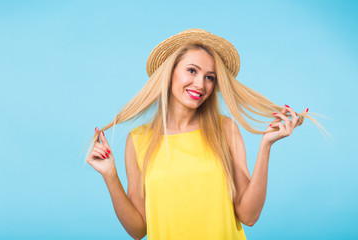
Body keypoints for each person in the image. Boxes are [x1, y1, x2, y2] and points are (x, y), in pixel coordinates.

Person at [85, 29, 328, 240]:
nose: (201, 84)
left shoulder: (226, 129)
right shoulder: (138, 140)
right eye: (192, 70)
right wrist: (110, 176)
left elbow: (249, 216)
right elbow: (138, 230)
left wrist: (265, 146)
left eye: (209, 77)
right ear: (170, 73)